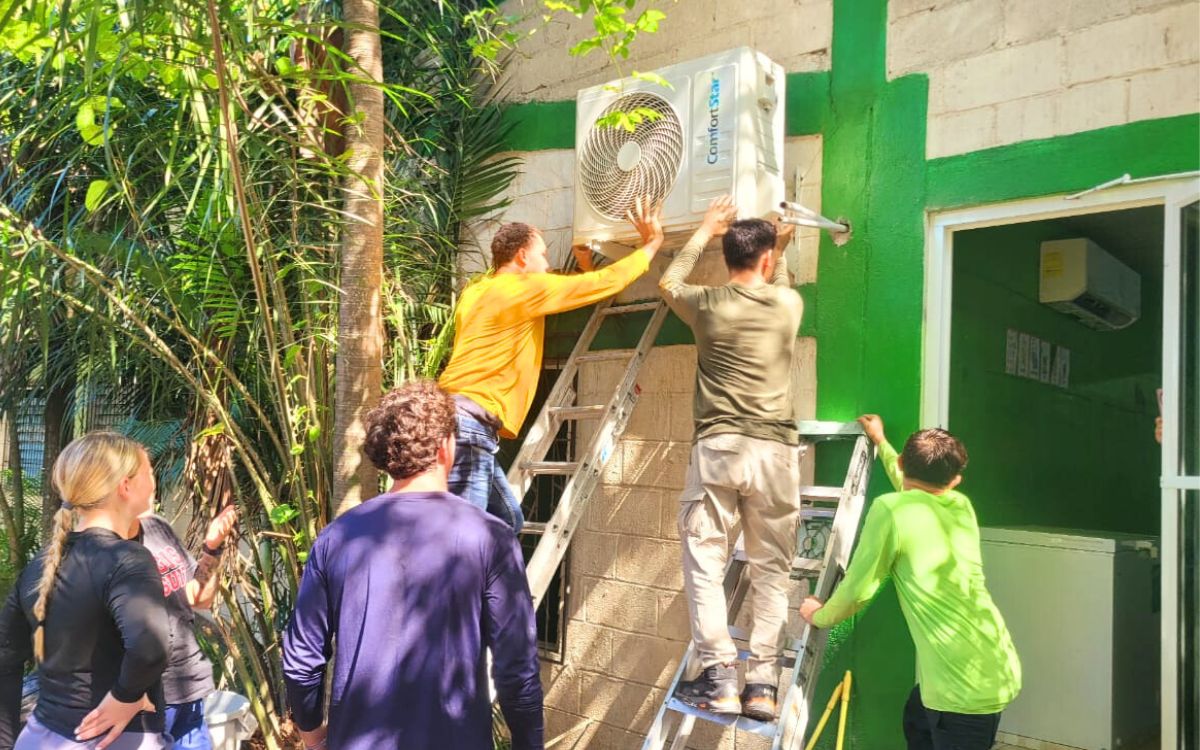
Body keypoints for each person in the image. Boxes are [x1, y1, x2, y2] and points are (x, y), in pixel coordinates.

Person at [283, 380, 543, 750]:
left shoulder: (336, 538)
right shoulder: (492, 539)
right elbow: (517, 670)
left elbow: (301, 660)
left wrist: (311, 735)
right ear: (446, 447)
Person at [437, 198, 665, 532]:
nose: (547, 263)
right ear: (522, 256)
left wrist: (586, 261)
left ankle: (491, 585)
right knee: (461, 536)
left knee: (507, 521)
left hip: (447, 417)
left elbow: (574, 288)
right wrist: (652, 243)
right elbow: (602, 285)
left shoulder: (477, 291)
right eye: (543, 254)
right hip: (469, 425)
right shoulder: (525, 289)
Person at [659, 196, 803, 721]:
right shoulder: (789, 306)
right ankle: (762, 685)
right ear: (765, 261)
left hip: (719, 448)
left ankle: (720, 677)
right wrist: (782, 247)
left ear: (726, 258)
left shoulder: (707, 303)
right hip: (776, 454)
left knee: (704, 561)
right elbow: (779, 285)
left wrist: (703, 230)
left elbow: (669, 284)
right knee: (772, 571)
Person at [799, 415, 1022, 750]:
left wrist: (819, 614)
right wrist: (880, 442)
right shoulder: (961, 506)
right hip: (988, 662)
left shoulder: (890, 510)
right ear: (955, 480)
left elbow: (859, 590)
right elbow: (914, 490)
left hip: (962, 690)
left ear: (905, 463)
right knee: (916, 721)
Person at [0, 432, 170, 750]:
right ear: (126, 486)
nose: (154, 480)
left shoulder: (42, 563)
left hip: (39, 737)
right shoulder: (127, 558)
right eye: (149, 471)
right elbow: (150, 648)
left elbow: (5, 656)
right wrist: (124, 697)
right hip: (112, 740)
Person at [132, 504, 238, 750]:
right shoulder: (104, 544)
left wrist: (213, 547)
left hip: (187, 693)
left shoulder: (155, 527)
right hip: (141, 701)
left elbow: (199, 597)